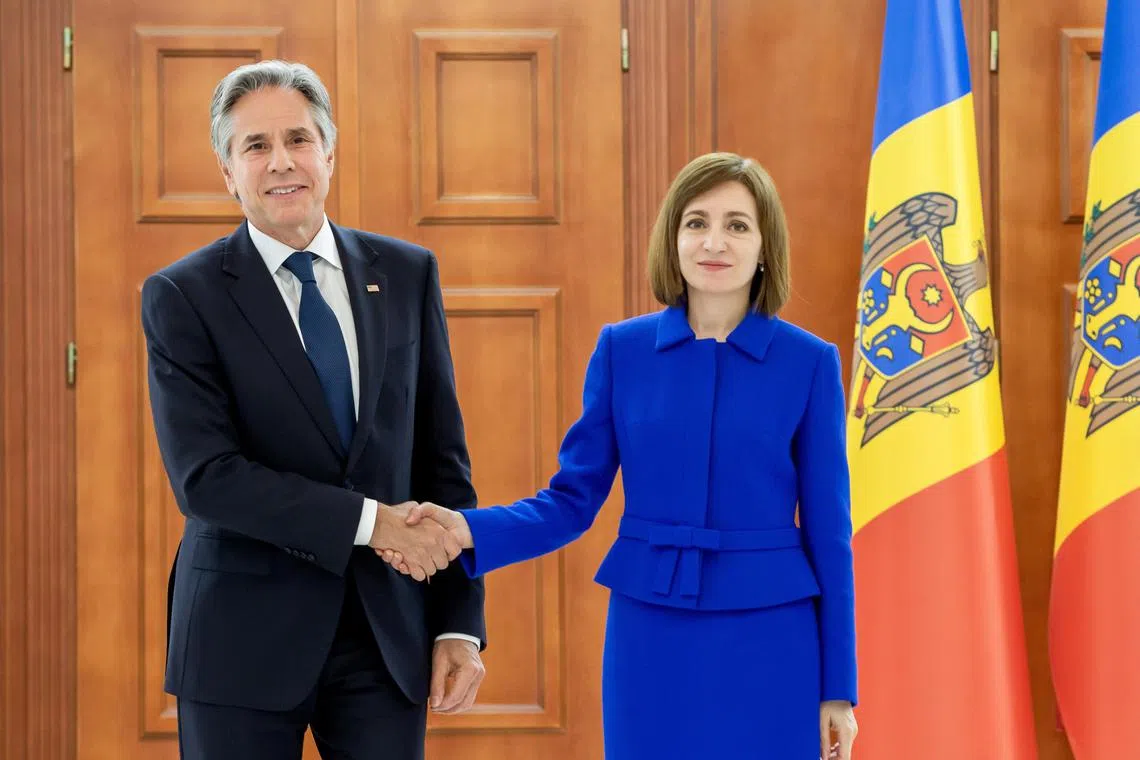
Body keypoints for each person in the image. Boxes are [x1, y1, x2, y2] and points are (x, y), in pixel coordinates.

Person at [384, 152, 859, 759]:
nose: (715, 240)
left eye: (738, 224)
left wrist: (837, 691)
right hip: (650, 629)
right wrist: (467, 529)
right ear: (673, 238)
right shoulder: (623, 350)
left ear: (766, 246)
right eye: (697, 222)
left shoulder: (809, 362)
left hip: (773, 632)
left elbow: (829, 535)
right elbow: (570, 501)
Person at [141, 60, 487, 760]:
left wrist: (459, 624)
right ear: (227, 170)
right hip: (238, 639)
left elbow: (440, 459)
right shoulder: (183, 295)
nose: (281, 163)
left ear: (329, 151)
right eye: (256, 146)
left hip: (385, 634)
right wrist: (371, 522)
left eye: (298, 139)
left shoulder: (407, 272)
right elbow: (206, 477)